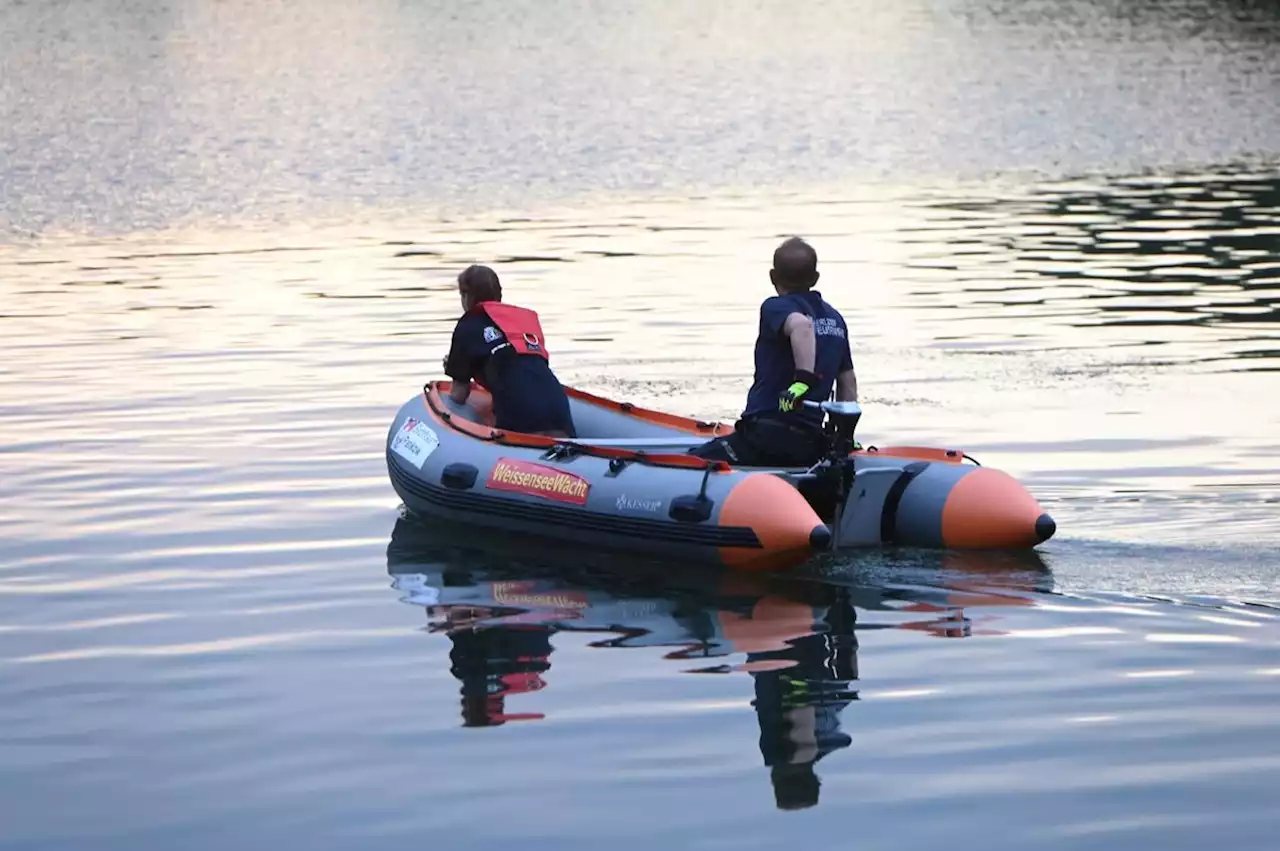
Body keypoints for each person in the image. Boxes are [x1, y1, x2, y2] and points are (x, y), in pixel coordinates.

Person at [690, 237, 857, 467]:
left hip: (766, 437)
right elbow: (847, 382)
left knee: (687, 461)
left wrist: (802, 381)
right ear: (815, 279)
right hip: (810, 442)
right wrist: (844, 438)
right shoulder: (835, 320)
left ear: (772, 276)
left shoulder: (776, 306)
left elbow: (802, 326)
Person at [442, 264, 577, 438]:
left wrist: (456, 373)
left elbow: (459, 395)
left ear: (466, 296)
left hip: (520, 416)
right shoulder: (522, 322)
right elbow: (519, 370)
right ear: (500, 294)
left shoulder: (468, 324)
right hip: (559, 410)